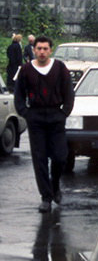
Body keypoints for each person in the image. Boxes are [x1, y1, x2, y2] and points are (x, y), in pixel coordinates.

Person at [13, 35, 75, 213]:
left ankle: (55, 186)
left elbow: (69, 92)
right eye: (38, 48)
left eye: (45, 49)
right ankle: (46, 198)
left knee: (60, 157)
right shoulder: (26, 70)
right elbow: (18, 95)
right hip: (36, 118)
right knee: (39, 159)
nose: (41, 52)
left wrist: (64, 112)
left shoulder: (59, 68)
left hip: (56, 116)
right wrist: (26, 113)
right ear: (34, 50)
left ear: (50, 50)